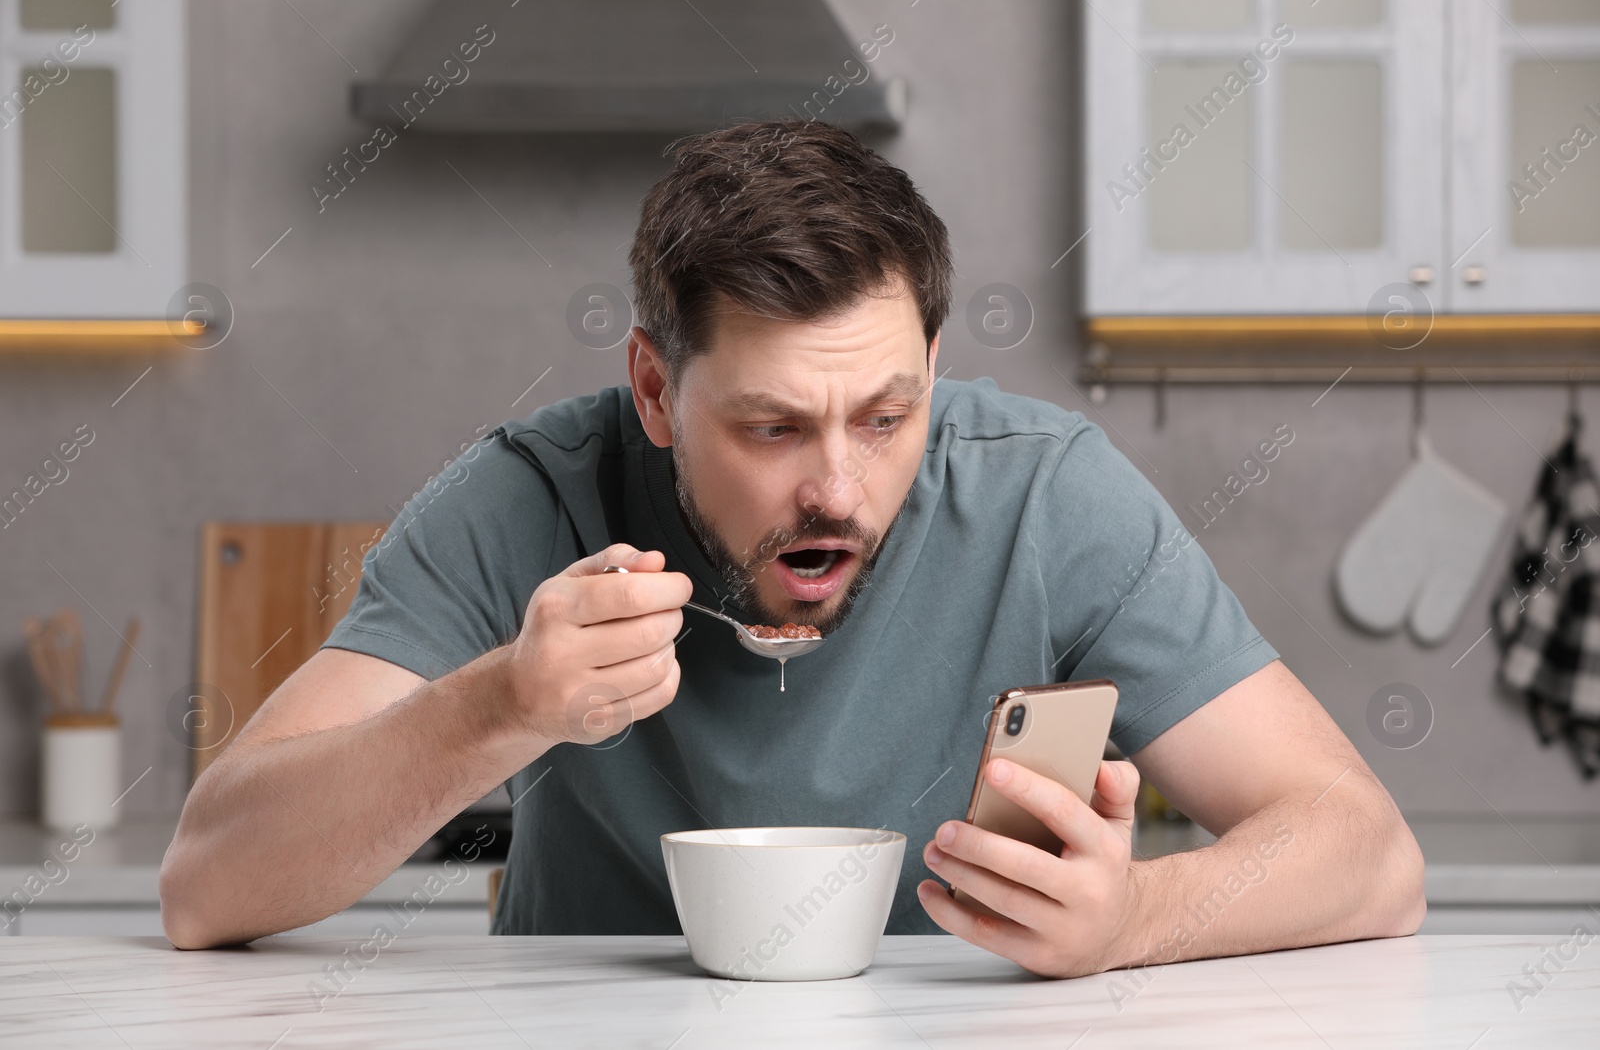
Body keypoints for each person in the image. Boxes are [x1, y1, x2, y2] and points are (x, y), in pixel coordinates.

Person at [160, 118, 1424, 977]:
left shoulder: (1050, 498)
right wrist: (495, 705)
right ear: (654, 390)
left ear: (935, 366)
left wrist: (1136, 911)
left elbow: (1366, 853)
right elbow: (206, 881)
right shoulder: (523, 497)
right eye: (770, 426)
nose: (836, 486)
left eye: (886, 417)